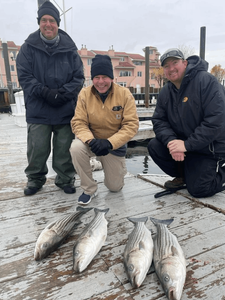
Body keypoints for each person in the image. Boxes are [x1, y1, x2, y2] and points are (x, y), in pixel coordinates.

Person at [16, 1, 85, 196]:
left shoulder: (71, 49)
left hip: (64, 108)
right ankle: (35, 179)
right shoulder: (27, 48)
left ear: (58, 23)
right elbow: (25, 78)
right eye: (44, 20)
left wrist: (64, 93)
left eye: (52, 20)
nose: (48, 24)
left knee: (64, 149)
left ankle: (65, 178)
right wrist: (46, 92)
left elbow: (78, 77)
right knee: (37, 149)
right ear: (39, 23)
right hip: (38, 109)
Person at [148, 48, 225, 198]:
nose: (171, 69)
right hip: (189, 148)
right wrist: (172, 141)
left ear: (185, 63)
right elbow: (159, 120)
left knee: (200, 189)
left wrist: (186, 145)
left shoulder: (206, 81)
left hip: (211, 149)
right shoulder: (165, 91)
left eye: (175, 63)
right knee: (155, 146)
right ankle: (184, 177)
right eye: (166, 66)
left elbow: (216, 120)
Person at [70, 54, 139, 205]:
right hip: (92, 142)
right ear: (92, 78)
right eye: (97, 77)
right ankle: (89, 189)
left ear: (111, 77)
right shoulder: (84, 94)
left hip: (112, 146)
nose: (101, 82)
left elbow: (131, 125)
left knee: (115, 187)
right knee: (75, 148)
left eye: (105, 77)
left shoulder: (124, 94)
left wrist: (109, 143)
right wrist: (91, 140)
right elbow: (78, 122)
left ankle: (100, 163)